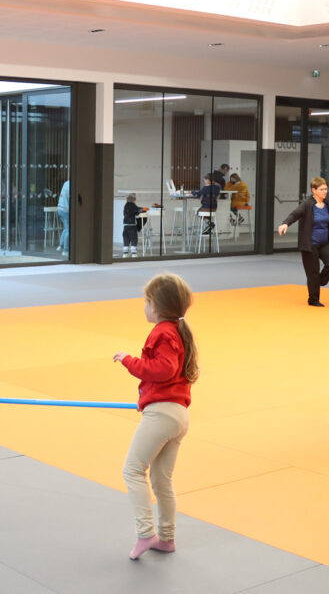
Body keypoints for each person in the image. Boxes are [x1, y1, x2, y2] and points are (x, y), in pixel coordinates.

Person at [113, 273, 198, 560]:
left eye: (146, 301)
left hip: (162, 414)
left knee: (133, 470)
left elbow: (162, 369)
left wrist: (128, 361)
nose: (144, 306)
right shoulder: (176, 330)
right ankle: (167, 537)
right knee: (162, 479)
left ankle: (146, 533)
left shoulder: (163, 331)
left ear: (157, 306)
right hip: (178, 415)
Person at [277, 177, 329, 307]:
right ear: (314, 190)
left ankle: (319, 281)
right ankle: (313, 299)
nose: (325, 192)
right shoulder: (307, 204)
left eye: (326, 189)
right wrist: (285, 224)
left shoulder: (327, 203)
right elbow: (295, 214)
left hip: (324, 243)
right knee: (312, 272)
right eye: (321, 189)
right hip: (310, 244)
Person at [122, 193, 143, 258]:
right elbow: (137, 210)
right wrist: (143, 209)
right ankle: (134, 253)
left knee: (126, 238)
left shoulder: (125, 205)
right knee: (134, 238)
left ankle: (125, 253)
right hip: (132, 225)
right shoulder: (133, 205)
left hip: (125, 225)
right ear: (134, 200)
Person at [57, 179, 70, 255]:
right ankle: (65, 250)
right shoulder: (71, 186)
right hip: (65, 210)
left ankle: (60, 246)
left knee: (66, 228)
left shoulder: (66, 183)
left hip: (60, 209)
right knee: (69, 230)